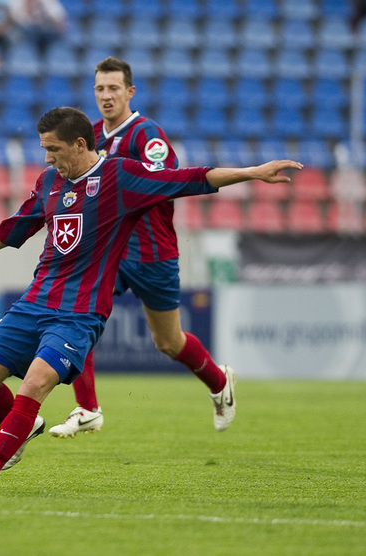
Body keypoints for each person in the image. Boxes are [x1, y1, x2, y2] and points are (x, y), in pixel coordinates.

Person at [0, 106, 300, 495]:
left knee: (35, 384)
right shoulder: (48, 181)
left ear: (80, 144)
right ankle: (26, 426)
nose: (47, 158)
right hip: (33, 303)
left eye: (53, 149)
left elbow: (190, 179)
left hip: (79, 314)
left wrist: (253, 172)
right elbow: (17, 227)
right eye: (44, 149)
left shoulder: (120, 176)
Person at [45, 56, 236, 439]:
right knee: (78, 317)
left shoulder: (146, 134)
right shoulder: (88, 136)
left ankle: (219, 382)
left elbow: (166, 181)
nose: (106, 95)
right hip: (110, 250)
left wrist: (121, 182)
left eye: (114, 88)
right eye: (100, 88)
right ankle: (88, 408)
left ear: (130, 91)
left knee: (168, 342)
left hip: (152, 251)